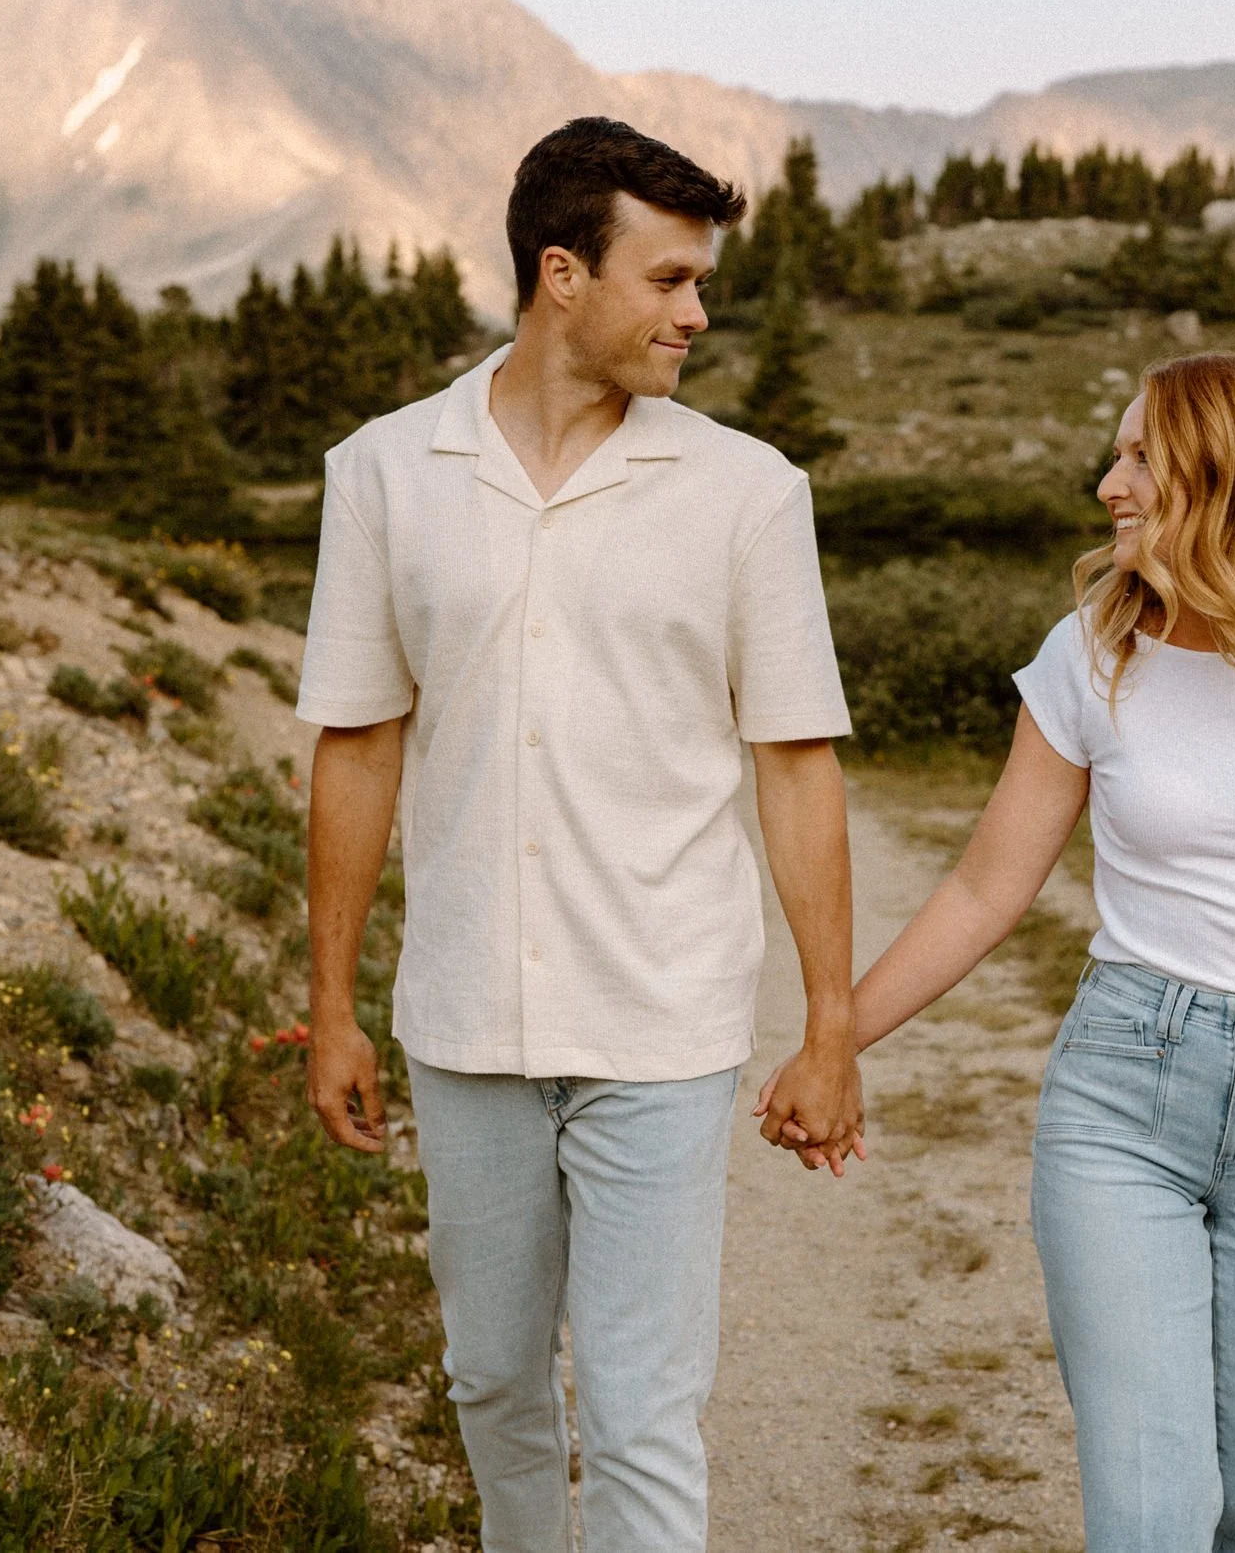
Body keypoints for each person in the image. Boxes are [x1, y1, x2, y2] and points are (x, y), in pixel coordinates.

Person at [762, 351, 1235, 1549]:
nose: (1109, 484)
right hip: (1123, 1101)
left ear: (1229, 474)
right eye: (1117, 455)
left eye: (1141, 456)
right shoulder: (1090, 654)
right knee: (1153, 1511)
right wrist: (834, 1036)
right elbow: (985, 887)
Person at [298, 116, 865, 1553]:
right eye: (668, 279)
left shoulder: (749, 492)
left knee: (638, 1415)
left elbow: (797, 765)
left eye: (700, 282)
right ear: (563, 273)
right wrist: (332, 1005)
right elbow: (357, 744)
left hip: (663, 1021)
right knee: (492, 1381)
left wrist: (831, 1025)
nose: (697, 313)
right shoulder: (383, 472)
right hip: (464, 1019)